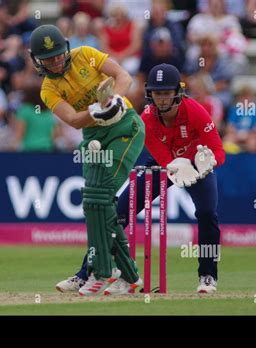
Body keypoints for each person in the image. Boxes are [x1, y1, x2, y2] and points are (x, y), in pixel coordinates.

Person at [58, 64, 225, 295]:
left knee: (208, 214)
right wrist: (173, 166)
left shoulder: (196, 112)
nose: (163, 99)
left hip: (197, 167)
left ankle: (207, 276)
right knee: (117, 213)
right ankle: (85, 273)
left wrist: (209, 163)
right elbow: (163, 157)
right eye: (158, 93)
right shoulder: (146, 117)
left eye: (167, 93)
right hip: (163, 164)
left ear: (178, 91)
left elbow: (219, 151)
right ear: (150, 94)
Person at [30, 24, 145, 296]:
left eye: (59, 54)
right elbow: (71, 119)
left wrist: (115, 100)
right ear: (37, 60)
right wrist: (96, 112)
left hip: (124, 127)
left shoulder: (85, 54)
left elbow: (123, 76)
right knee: (93, 201)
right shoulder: (48, 89)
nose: (56, 61)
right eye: (48, 58)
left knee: (102, 196)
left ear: (66, 48)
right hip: (93, 136)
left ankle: (103, 271)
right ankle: (124, 274)